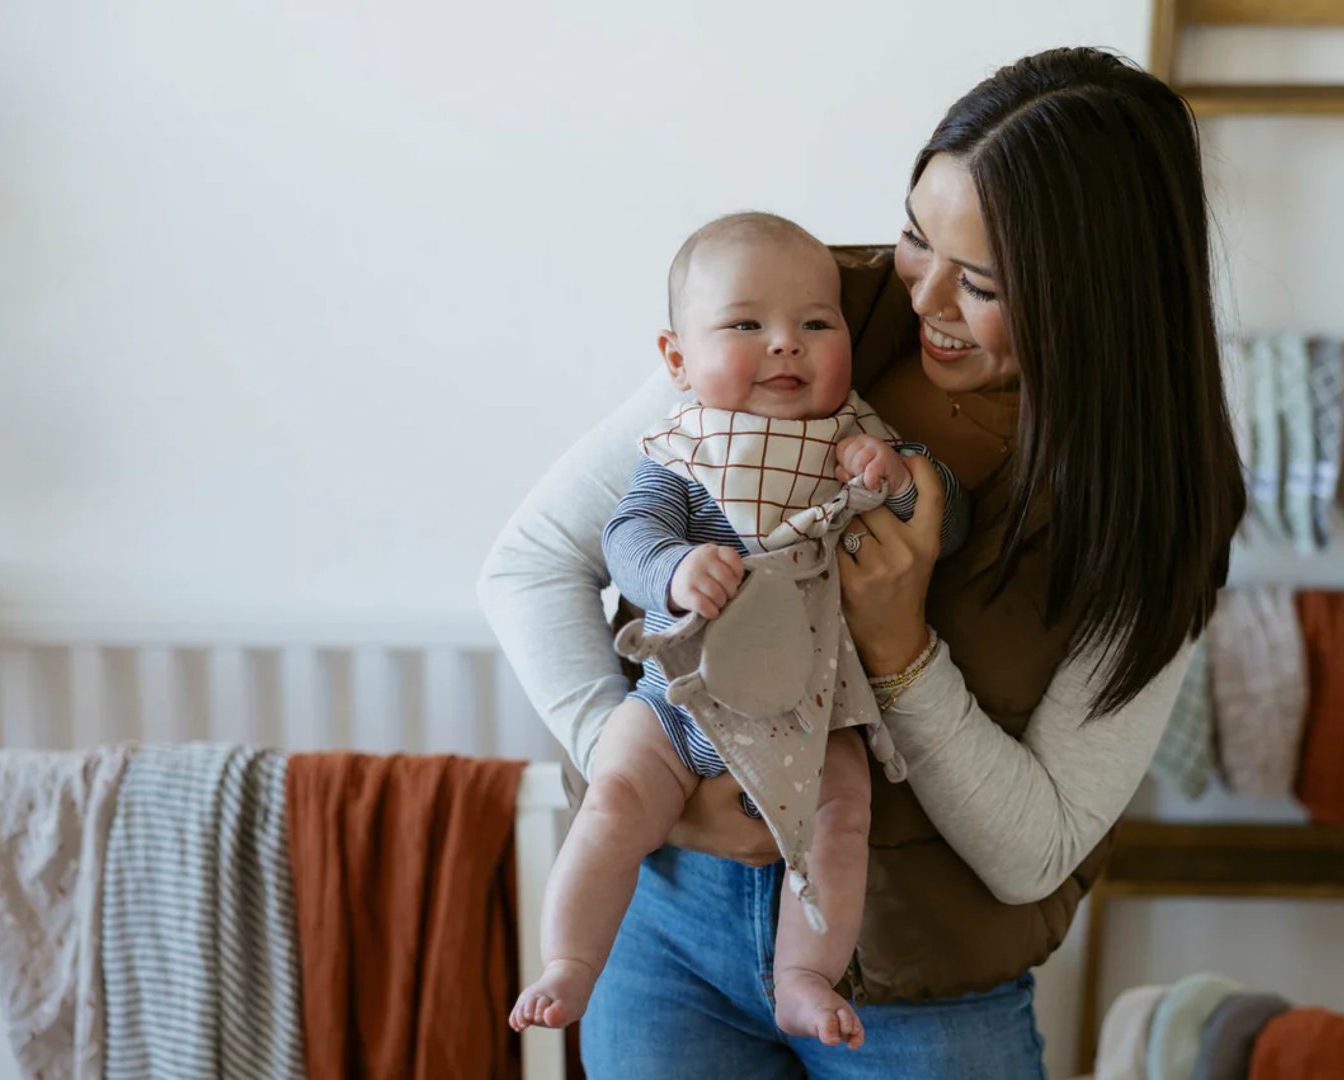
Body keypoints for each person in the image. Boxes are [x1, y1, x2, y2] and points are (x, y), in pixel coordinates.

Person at [480, 46, 1246, 1077]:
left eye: (978, 282)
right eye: (915, 236)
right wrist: (650, 776)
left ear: (1092, 292)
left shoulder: (1149, 508)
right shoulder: (797, 313)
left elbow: (1039, 849)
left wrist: (902, 652)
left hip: (921, 1004)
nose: (922, 294)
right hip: (669, 943)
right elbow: (532, 563)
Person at [509, 211, 964, 1048]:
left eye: (816, 324)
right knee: (613, 797)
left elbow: (936, 529)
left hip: (813, 709)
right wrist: (674, 570)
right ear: (677, 361)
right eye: (747, 325)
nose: (786, 344)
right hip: (679, 705)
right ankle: (571, 960)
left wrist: (896, 482)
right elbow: (628, 536)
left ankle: (803, 974)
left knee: (842, 814)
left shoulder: (855, 440)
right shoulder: (683, 450)